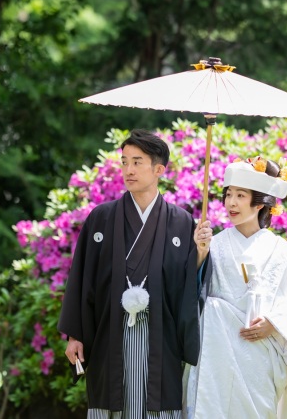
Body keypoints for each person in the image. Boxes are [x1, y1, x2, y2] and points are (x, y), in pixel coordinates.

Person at [58, 129, 208, 418]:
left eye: (137, 162)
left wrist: (200, 254)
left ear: (159, 169)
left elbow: (190, 287)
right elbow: (81, 278)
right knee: (110, 403)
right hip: (109, 333)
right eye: (124, 161)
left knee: (156, 406)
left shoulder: (182, 223)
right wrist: (75, 335)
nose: (128, 170)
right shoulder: (101, 218)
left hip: (160, 338)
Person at [185, 156, 287, 418]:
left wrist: (273, 323)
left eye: (241, 195)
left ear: (260, 203)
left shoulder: (283, 251)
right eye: (228, 194)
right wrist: (199, 254)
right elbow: (191, 290)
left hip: (259, 355)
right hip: (216, 355)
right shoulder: (214, 244)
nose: (231, 202)